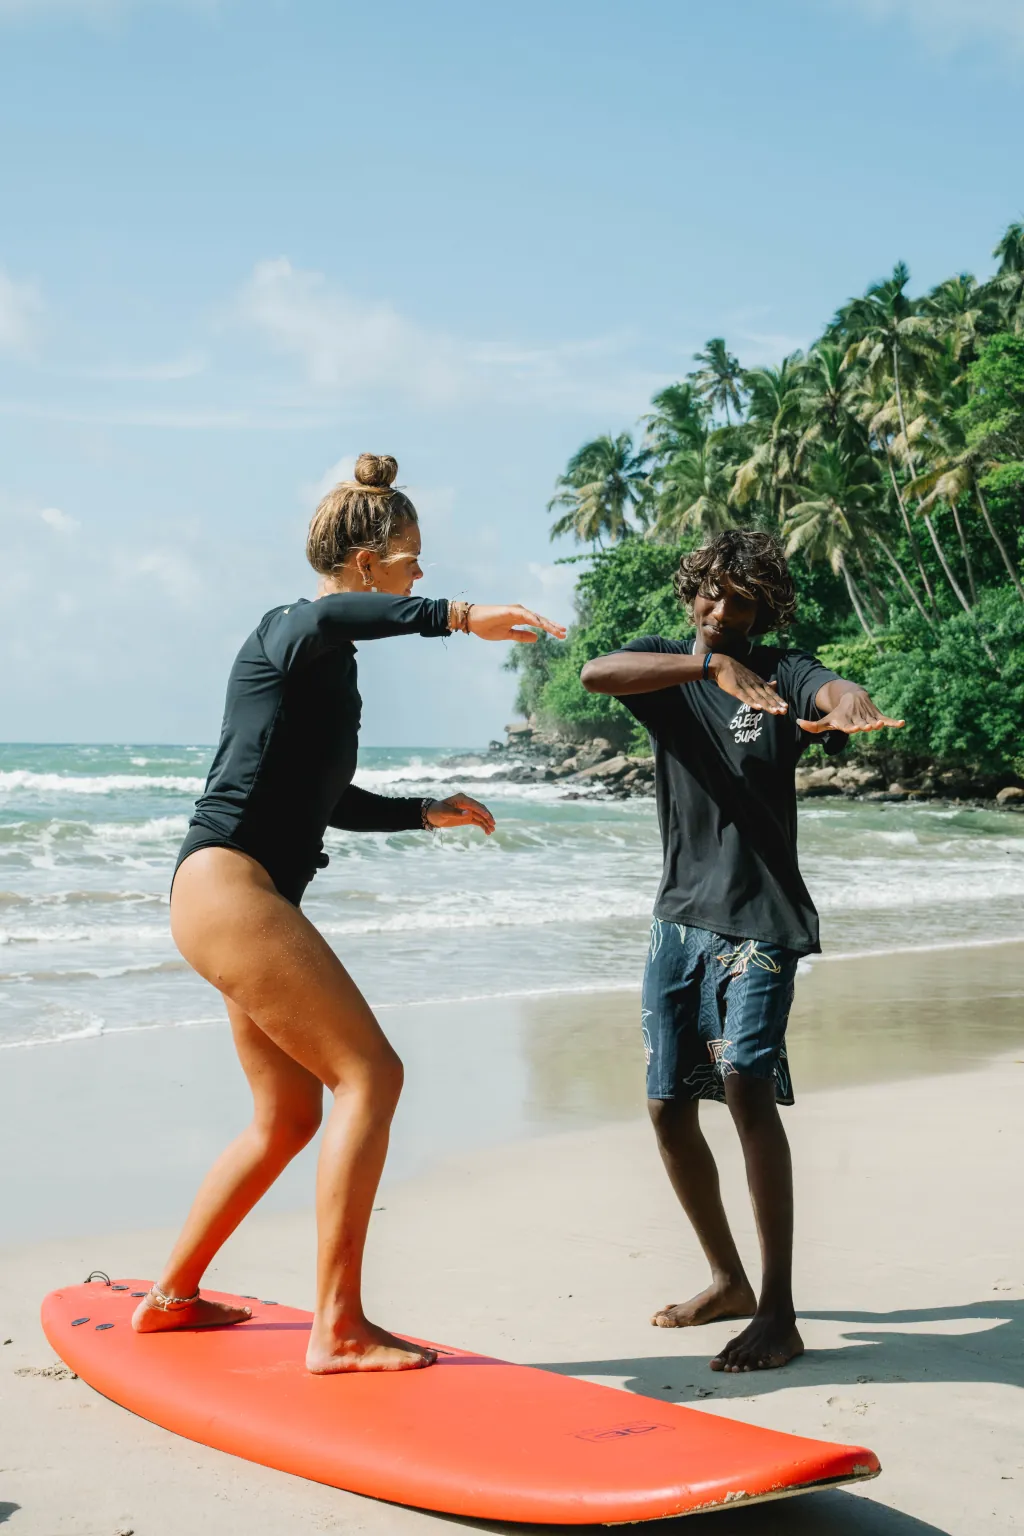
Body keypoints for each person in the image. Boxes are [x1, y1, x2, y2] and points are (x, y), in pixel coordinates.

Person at [131, 453, 566, 1374]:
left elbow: (321, 796)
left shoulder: (329, 671)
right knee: (371, 1075)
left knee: (286, 1116)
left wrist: (421, 811)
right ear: (366, 558)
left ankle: (171, 1298)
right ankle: (339, 1327)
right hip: (229, 886)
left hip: (237, 896)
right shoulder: (293, 627)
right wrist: (457, 616)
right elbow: (333, 613)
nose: (419, 573)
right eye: (411, 558)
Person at [580, 529, 903, 1374]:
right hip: (678, 919)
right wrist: (705, 669)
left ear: (765, 611)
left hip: (762, 920)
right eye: (711, 595)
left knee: (745, 1090)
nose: (723, 612)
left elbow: (830, 687)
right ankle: (726, 1279)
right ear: (692, 592)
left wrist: (844, 704)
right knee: (665, 1106)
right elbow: (595, 673)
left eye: (743, 602)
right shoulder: (665, 667)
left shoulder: (780, 671)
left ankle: (779, 1310)